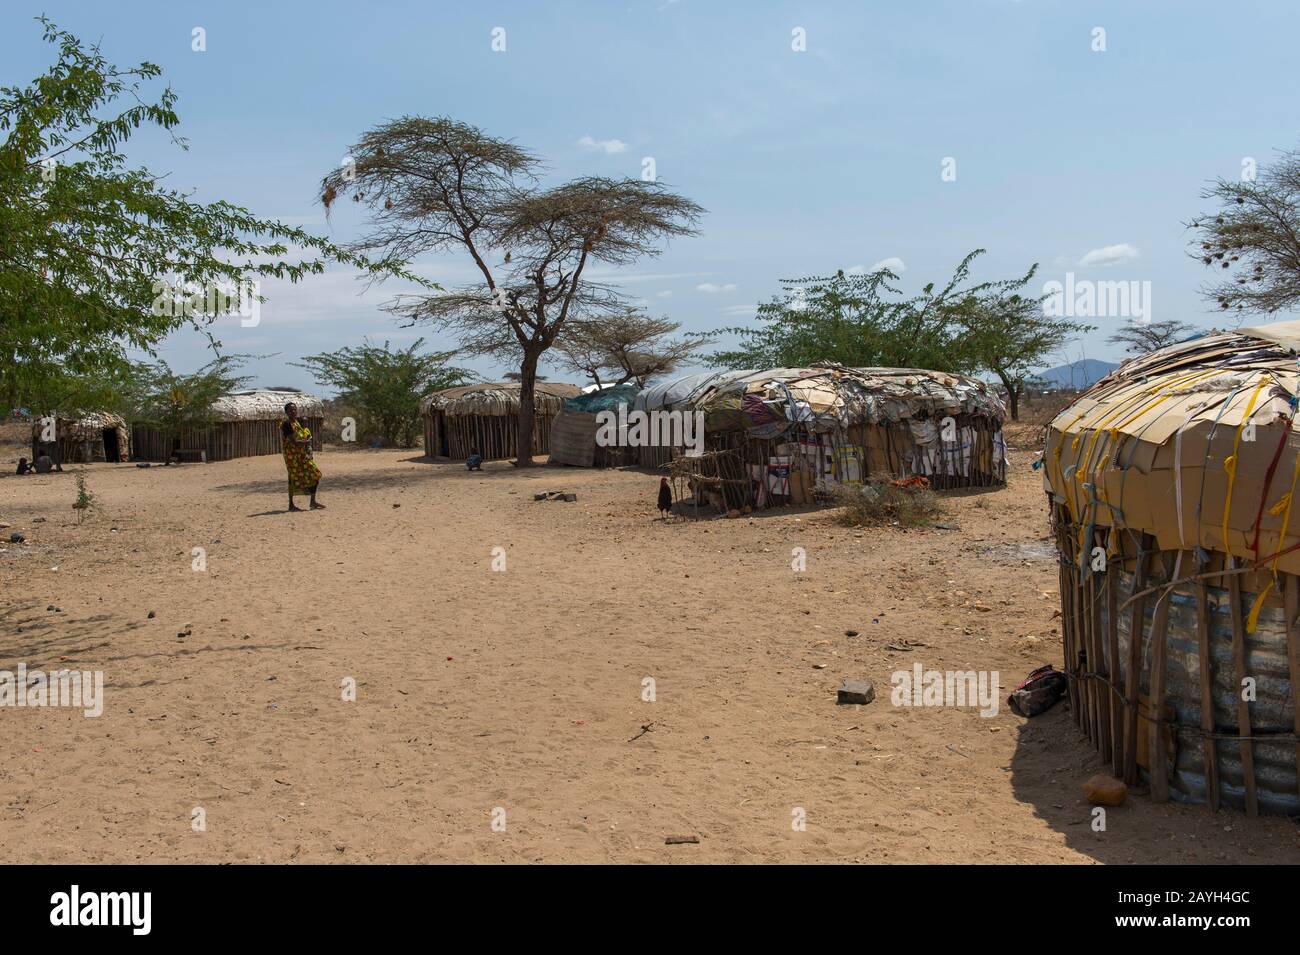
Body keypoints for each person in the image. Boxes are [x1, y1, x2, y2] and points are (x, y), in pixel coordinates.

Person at [281, 402, 324, 511]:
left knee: (315, 474)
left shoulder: (296, 423)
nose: (293, 412)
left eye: (295, 410)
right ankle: (291, 505)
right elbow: (294, 441)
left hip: (301, 455)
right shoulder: (286, 424)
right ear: (286, 412)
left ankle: (312, 501)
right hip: (292, 456)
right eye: (291, 410)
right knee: (292, 478)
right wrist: (306, 442)